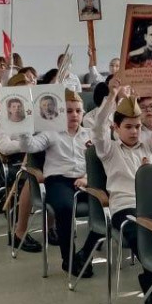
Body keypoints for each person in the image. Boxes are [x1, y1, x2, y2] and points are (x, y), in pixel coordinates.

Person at [94, 81, 152, 304]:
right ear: (116, 128)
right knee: (143, 234)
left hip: (151, 208)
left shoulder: (149, 145)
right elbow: (98, 127)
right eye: (129, 127)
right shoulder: (108, 150)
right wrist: (112, 96)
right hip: (125, 208)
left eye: (138, 127)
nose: (134, 131)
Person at [17, 90, 98, 276]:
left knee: (111, 206)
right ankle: (68, 259)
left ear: (83, 113)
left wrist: (87, 178)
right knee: (65, 208)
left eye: (78, 111)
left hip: (85, 180)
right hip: (59, 181)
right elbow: (29, 146)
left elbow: (99, 162)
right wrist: (24, 127)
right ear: (60, 113)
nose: (74, 115)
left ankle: (85, 254)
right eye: (69, 111)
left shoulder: (89, 134)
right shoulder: (51, 133)